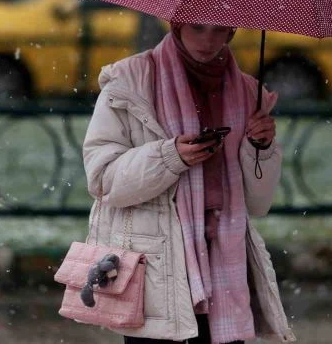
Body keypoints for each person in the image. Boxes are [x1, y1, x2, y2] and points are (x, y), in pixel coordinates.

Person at [82, 22, 296, 343]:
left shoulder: (250, 94)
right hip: (156, 261)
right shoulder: (131, 82)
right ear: (176, 25)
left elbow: (258, 203)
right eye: (197, 28)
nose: (207, 40)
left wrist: (260, 148)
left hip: (225, 263)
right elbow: (103, 178)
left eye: (219, 30)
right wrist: (170, 158)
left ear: (232, 33)